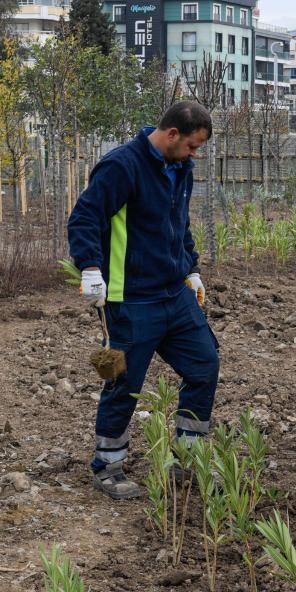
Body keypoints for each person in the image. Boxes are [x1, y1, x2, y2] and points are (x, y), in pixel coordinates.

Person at [67, 101, 219, 500]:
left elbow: (178, 221)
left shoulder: (180, 167)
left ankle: (188, 459)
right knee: (124, 382)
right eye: (192, 146)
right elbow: (85, 217)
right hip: (131, 299)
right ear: (172, 135)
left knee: (204, 364)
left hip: (174, 292)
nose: (194, 154)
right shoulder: (122, 166)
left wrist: (191, 267)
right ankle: (108, 466)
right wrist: (90, 268)